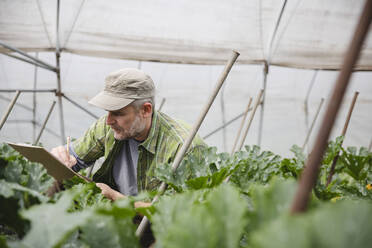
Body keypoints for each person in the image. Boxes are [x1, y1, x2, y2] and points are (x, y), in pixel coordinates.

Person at [51, 68, 206, 206]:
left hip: (157, 227)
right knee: (55, 178)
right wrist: (59, 157)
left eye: (118, 112)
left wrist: (116, 198)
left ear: (145, 110)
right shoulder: (106, 127)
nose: (109, 120)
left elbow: (182, 213)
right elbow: (73, 158)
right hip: (116, 217)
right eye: (107, 111)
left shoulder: (183, 147)